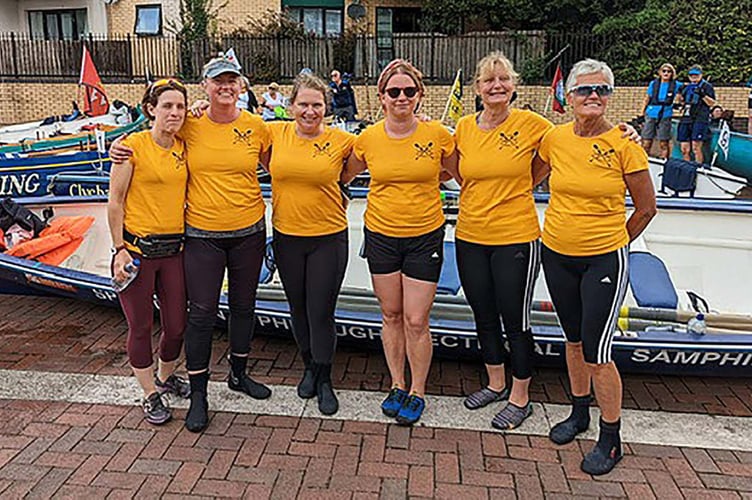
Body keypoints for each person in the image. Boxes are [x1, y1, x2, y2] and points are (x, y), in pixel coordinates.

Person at [110, 56, 273, 433]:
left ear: (242, 85)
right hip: (199, 237)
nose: (225, 87)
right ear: (206, 85)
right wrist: (120, 142)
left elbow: (280, 164)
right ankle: (197, 394)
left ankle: (238, 373)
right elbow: (147, 140)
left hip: (246, 231)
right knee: (199, 315)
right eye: (218, 81)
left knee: (241, 308)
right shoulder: (185, 126)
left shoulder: (257, 126)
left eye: (232, 80)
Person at [536, 59, 657, 475]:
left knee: (597, 349)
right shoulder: (554, 139)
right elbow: (526, 175)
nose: (593, 97)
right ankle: (579, 412)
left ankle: (611, 437)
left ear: (611, 97)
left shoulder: (626, 144)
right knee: (572, 340)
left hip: (604, 256)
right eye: (585, 90)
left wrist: (614, 244)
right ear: (568, 97)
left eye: (601, 91)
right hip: (556, 251)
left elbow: (646, 208)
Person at [342, 59, 457, 426]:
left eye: (409, 91)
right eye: (394, 92)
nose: (402, 97)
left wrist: (428, 178)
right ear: (382, 97)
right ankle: (396, 383)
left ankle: (418, 389)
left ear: (420, 96)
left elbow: (462, 173)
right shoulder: (368, 138)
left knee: (416, 319)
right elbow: (341, 173)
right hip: (381, 235)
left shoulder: (438, 135)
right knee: (390, 315)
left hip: (425, 236)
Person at [452, 52, 552, 430]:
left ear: (514, 85)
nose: (496, 86)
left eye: (503, 79)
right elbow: (460, 171)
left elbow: (558, 150)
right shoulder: (463, 126)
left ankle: (520, 395)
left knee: (515, 318)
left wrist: (526, 182)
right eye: (488, 80)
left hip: (516, 237)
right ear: (477, 88)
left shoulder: (532, 123)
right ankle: (495, 382)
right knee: (483, 312)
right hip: (471, 235)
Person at [265, 73, 354, 415]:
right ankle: (308, 367)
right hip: (288, 236)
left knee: (320, 310)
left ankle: (325, 377)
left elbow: (362, 162)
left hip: (328, 237)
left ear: (326, 108)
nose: (309, 111)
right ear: (290, 107)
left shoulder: (342, 140)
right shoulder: (274, 132)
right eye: (303, 104)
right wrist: (199, 107)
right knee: (298, 308)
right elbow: (232, 129)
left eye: (317, 105)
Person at [107, 78, 191, 425]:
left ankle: (165, 375)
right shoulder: (130, 147)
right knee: (140, 327)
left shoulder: (184, 145)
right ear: (150, 109)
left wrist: (197, 108)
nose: (175, 112)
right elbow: (115, 202)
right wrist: (118, 250)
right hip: (138, 252)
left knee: (176, 325)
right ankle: (148, 393)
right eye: (167, 106)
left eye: (180, 106)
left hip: (174, 252)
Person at [640, 63, 682, 159]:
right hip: (651, 113)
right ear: (660, 73)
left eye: (669, 71)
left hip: (665, 114)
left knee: (663, 142)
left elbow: (684, 91)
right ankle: (643, 162)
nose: (666, 73)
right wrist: (642, 113)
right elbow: (647, 98)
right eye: (664, 71)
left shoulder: (676, 85)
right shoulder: (654, 84)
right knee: (646, 142)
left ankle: (664, 162)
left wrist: (680, 99)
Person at [677, 65, 716, 164]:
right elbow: (681, 102)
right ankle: (686, 167)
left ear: (701, 75)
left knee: (696, 146)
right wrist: (679, 96)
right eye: (691, 75)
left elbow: (712, 103)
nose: (694, 77)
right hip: (686, 118)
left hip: (700, 118)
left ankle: (698, 167)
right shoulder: (686, 87)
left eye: (696, 75)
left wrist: (702, 95)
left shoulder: (706, 86)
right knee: (684, 148)